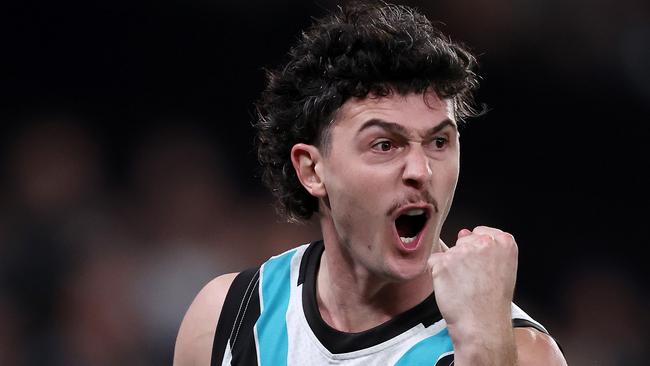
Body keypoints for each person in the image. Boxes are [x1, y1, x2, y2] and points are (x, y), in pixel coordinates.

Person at [174, 2, 567, 365]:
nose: (421, 170)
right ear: (312, 170)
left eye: (439, 142)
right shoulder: (228, 318)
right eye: (384, 145)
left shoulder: (521, 353)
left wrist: (485, 351)